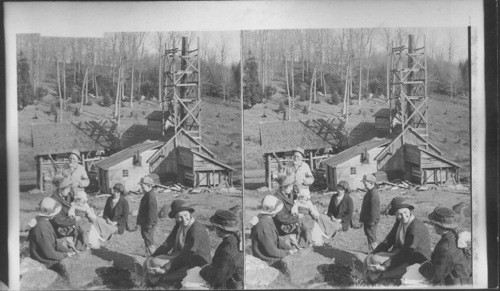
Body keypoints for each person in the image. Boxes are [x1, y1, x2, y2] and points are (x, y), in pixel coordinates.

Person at [365, 197, 431, 283]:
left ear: (409, 211)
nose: (403, 217)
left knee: (382, 274)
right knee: (372, 258)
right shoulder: (399, 222)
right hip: (400, 253)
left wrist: (385, 266)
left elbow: (407, 251)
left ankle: (372, 280)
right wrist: (373, 253)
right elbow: (388, 240)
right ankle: (369, 277)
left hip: (414, 260)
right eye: (399, 214)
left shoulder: (416, 228)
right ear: (395, 215)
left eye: (405, 212)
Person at [146, 199, 211, 285]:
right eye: (179, 217)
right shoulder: (179, 226)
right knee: (153, 261)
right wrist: (152, 256)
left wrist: (166, 269)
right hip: (180, 256)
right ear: (175, 218)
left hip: (195, 263)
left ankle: (162, 280)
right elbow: (168, 244)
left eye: (185, 215)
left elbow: (187, 255)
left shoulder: (196, 231)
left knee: (162, 278)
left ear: (190, 213)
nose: (183, 219)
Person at [419, 207, 472, 286]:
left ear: (437, 225)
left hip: (456, 284)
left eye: (433, 224)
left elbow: (435, 275)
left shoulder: (444, 247)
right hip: (466, 276)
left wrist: (423, 266)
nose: (433, 226)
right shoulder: (455, 235)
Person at [199, 210, 244, 289]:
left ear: (219, 229)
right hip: (234, 278)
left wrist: (204, 269)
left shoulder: (227, 251)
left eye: (216, 227)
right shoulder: (235, 239)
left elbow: (218, 278)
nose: (215, 230)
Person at [28, 197, 75, 267]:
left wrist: (68, 251)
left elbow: (54, 243)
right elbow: (49, 253)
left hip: (47, 256)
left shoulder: (45, 221)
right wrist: (66, 255)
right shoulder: (41, 227)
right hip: (43, 261)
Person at [251, 195, 297, 265]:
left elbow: (275, 239)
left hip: (270, 254)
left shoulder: (267, 218)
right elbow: (271, 251)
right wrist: (288, 253)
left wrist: (289, 248)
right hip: (266, 259)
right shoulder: (264, 225)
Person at [273, 174, 309, 249]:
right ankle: (303, 244)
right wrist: (297, 217)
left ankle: (306, 242)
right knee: (305, 227)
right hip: (282, 226)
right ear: (283, 188)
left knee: (309, 222)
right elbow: (280, 218)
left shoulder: (289, 193)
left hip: (291, 219)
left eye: (291, 186)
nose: (291, 188)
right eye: (289, 187)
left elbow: (295, 196)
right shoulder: (277, 199)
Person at [50, 175, 78, 246]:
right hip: (60, 228)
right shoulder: (54, 201)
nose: (69, 191)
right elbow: (58, 220)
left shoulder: (66, 196)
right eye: (67, 189)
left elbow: (72, 204)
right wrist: (74, 220)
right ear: (60, 189)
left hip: (68, 222)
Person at [136, 176, 159, 256]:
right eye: (141, 187)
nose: (141, 189)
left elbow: (152, 213)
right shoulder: (147, 195)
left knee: (149, 241)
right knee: (146, 239)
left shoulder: (150, 197)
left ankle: (154, 258)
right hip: (145, 223)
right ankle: (148, 256)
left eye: (143, 187)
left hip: (148, 223)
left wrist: (149, 224)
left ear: (150, 186)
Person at [359, 174, 380, 252]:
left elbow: (375, 210)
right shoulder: (370, 191)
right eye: (364, 183)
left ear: (372, 183)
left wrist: (372, 222)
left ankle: (376, 252)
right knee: (369, 235)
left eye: (365, 183)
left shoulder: (373, 194)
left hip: (371, 220)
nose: (364, 184)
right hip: (368, 219)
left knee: (371, 236)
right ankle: (371, 252)